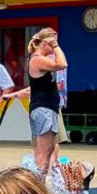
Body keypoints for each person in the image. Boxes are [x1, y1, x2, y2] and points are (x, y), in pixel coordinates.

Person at [26, 28, 66, 176]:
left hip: (49, 108)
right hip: (43, 109)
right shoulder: (37, 59)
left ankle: (41, 188)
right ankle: (36, 191)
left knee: (49, 152)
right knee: (42, 155)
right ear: (45, 43)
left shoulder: (43, 60)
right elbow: (62, 64)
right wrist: (55, 47)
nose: (55, 46)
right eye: (52, 43)